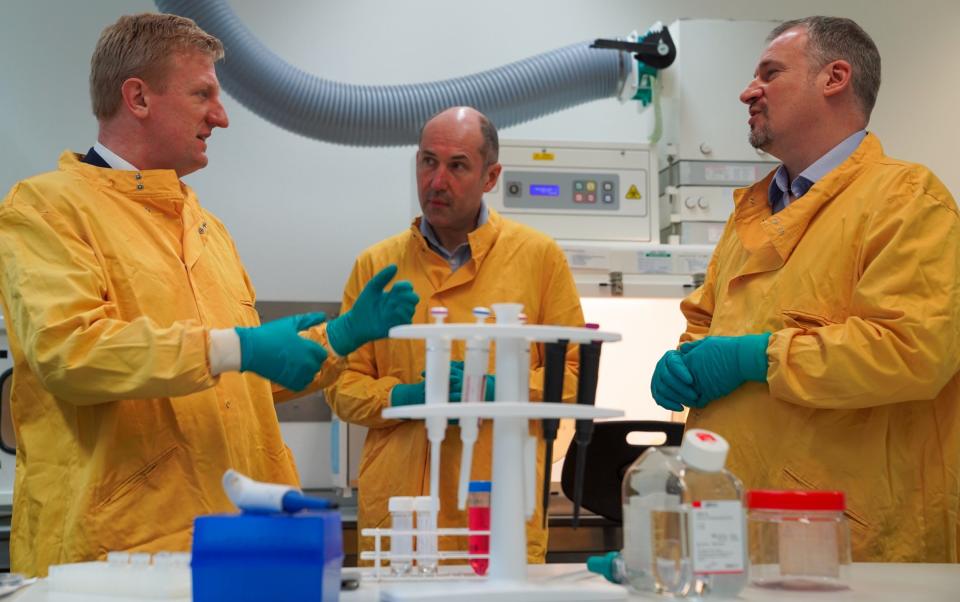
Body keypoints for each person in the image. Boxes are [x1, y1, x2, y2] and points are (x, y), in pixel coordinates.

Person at [0, 13, 418, 576]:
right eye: (203, 95)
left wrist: (340, 337)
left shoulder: (204, 226)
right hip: (118, 557)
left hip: (242, 544)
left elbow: (236, 385)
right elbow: (71, 352)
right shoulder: (46, 209)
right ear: (139, 98)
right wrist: (236, 347)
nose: (220, 117)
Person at [650, 16, 959, 562]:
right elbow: (707, 323)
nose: (748, 91)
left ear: (834, 77)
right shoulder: (757, 208)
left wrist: (756, 357)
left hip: (844, 535)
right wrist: (685, 361)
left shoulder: (907, 199)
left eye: (770, 73)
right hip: (732, 520)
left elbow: (913, 351)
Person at [325, 106, 584, 562]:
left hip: (500, 514)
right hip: (401, 519)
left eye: (457, 165)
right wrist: (406, 397)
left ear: (491, 176)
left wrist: (499, 388)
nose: (436, 180)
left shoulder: (538, 259)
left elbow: (577, 375)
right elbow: (342, 388)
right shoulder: (377, 266)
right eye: (428, 161)